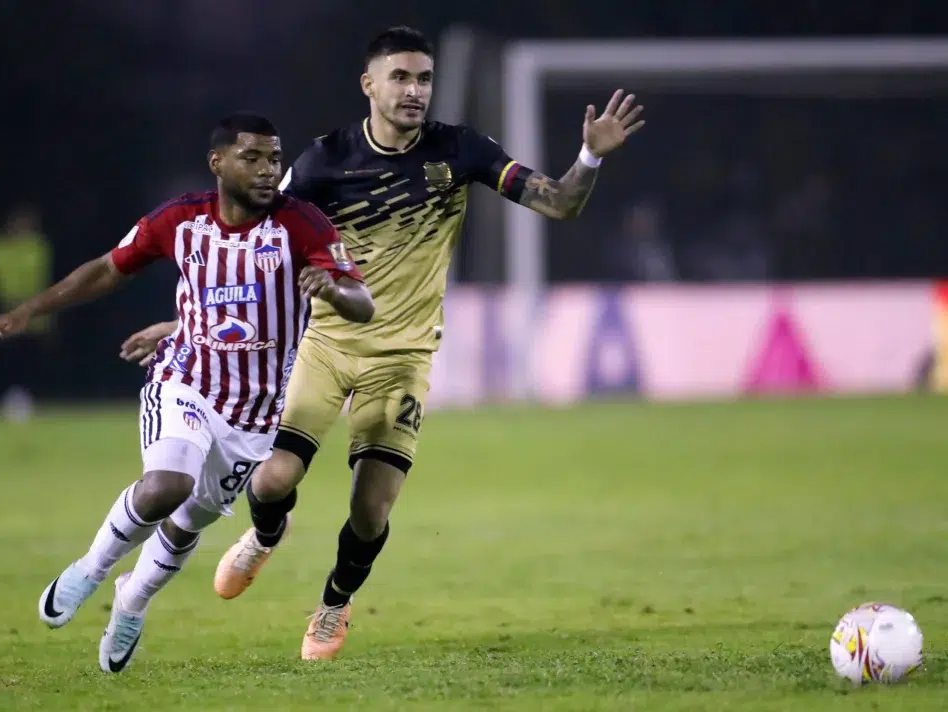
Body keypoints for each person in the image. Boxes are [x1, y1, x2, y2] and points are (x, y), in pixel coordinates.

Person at [122, 26, 645, 661]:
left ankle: (333, 606)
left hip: (403, 359)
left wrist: (588, 157)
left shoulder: (461, 150)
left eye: (423, 78)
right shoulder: (322, 162)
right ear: (369, 85)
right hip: (323, 344)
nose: (415, 90)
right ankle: (264, 537)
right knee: (269, 481)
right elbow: (253, 257)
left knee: (370, 511)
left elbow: (559, 204)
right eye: (400, 77)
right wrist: (187, 324)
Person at [0, 113, 373, 673]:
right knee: (166, 486)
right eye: (251, 157)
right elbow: (110, 269)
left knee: (187, 524)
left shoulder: (302, 224)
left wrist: (332, 286)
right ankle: (90, 568)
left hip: (254, 416)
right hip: (185, 382)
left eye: (274, 159)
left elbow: (362, 302)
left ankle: (132, 602)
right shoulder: (181, 219)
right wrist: (27, 311)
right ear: (219, 163)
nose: (266, 170)